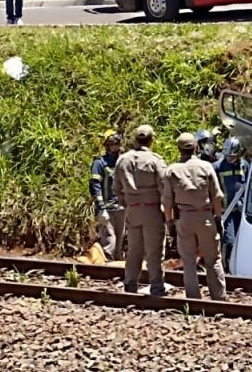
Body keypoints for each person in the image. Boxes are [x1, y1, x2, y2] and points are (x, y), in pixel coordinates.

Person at [163, 132, 227, 301]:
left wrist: (170, 223)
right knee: (213, 259)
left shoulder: (171, 170)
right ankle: (219, 297)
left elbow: (167, 201)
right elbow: (217, 197)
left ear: (179, 149)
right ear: (196, 147)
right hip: (205, 217)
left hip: (184, 219)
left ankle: (193, 298)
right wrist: (218, 219)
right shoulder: (206, 167)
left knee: (188, 261)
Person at [112, 125, 168, 296]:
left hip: (132, 210)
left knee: (134, 250)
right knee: (154, 250)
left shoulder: (123, 160)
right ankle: (156, 286)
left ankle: (130, 284)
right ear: (151, 140)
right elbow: (164, 187)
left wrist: (127, 203)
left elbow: (116, 188)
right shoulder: (155, 160)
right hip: (152, 210)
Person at [89, 130, 126, 261]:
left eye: (117, 144)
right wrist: (101, 208)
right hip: (107, 208)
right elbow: (95, 186)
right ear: (107, 146)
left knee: (119, 240)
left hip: (121, 207)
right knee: (110, 240)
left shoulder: (122, 162)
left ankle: (116, 266)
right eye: (112, 144)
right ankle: (107, 264)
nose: (115, 147)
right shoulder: (100, 163)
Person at [214, 137, 249, 261]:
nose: (230, 158)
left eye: (233, 156)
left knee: (243, 241)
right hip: (226, 211)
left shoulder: (244, 166)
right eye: (228, 156)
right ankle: (228, 268)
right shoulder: (217, 168)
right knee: (230, 241)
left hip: (241, 211)